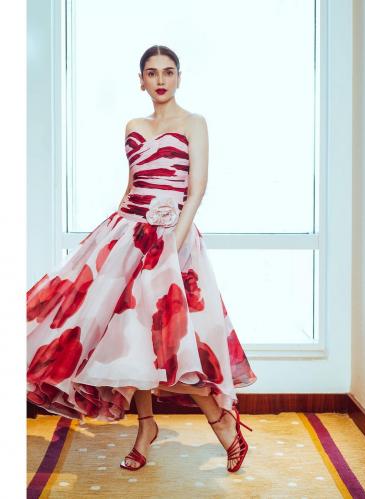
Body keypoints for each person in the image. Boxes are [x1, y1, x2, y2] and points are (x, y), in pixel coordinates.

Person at [27, 45, 257, 473]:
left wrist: (173, 246)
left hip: (173, 241)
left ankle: (223, 424)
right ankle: (146, 427)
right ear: (141, 81)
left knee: (176, 343)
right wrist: (109, 238)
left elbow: (196, 191)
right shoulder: (133, 125)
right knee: (132, 340)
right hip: (129, 235)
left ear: (179, 77)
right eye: (152, 73)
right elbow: (132, 185)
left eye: (168, 72)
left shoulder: (194, 123)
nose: (161, 80)